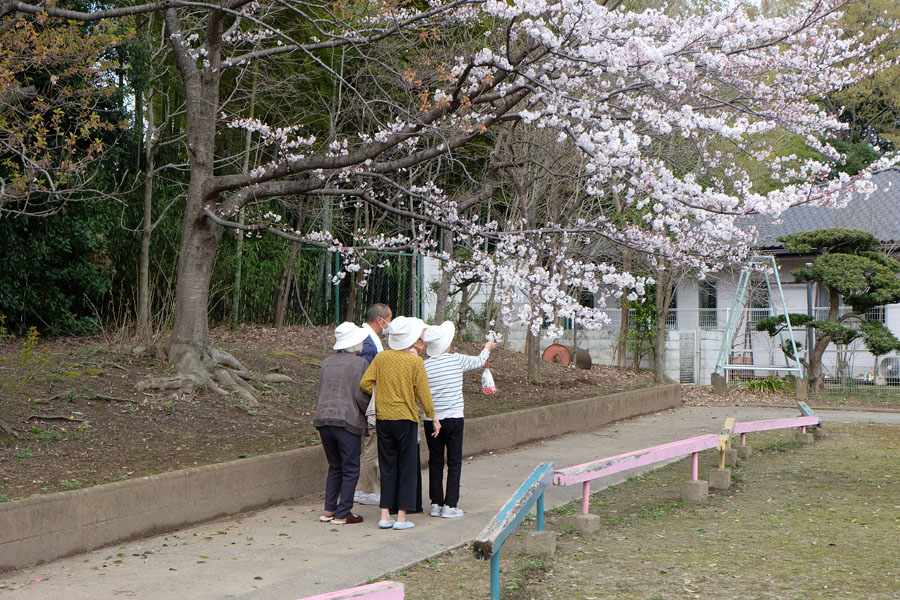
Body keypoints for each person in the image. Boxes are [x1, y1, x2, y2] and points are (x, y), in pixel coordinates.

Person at [360, 316, 440, 531]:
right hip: (406, 419)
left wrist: (381, 393)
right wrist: (433, 416)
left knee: (387, 467)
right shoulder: (415, 362)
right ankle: (402, 518)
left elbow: (365, 382)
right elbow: (423, 393)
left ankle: (385, 515)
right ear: (411, 340)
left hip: (384, 419)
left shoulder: (381, 358)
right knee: (406, 467)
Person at [422, 321, 496, 519]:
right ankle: (450, 504)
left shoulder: (424, 365)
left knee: (435, 461)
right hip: (454, 417)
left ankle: (435, 503)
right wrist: (487, 348)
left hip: (431, 419)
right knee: (454, 461)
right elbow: (479, 361)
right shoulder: (456, 360)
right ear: (447, 344)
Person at [313, 322, 372, 525]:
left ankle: (329, 509)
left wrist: (318, 423)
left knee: (335, 466)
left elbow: (321, 392)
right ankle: (343, 512)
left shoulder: (326, 363)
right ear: (355, 343)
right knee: (351, 467)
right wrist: (370, 416)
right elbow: (361, 395)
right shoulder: (360, 364)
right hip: (347, 420)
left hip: (324, 419)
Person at [354, 303, 393, 506]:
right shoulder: (368, 344)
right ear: (380, 320)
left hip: (360, 403)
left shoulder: (363, 338)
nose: (390, 324)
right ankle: (365, 489)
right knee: (371, 447)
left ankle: (363, 488)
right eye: (389, 319)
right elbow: (366, 378)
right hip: (367, 403)